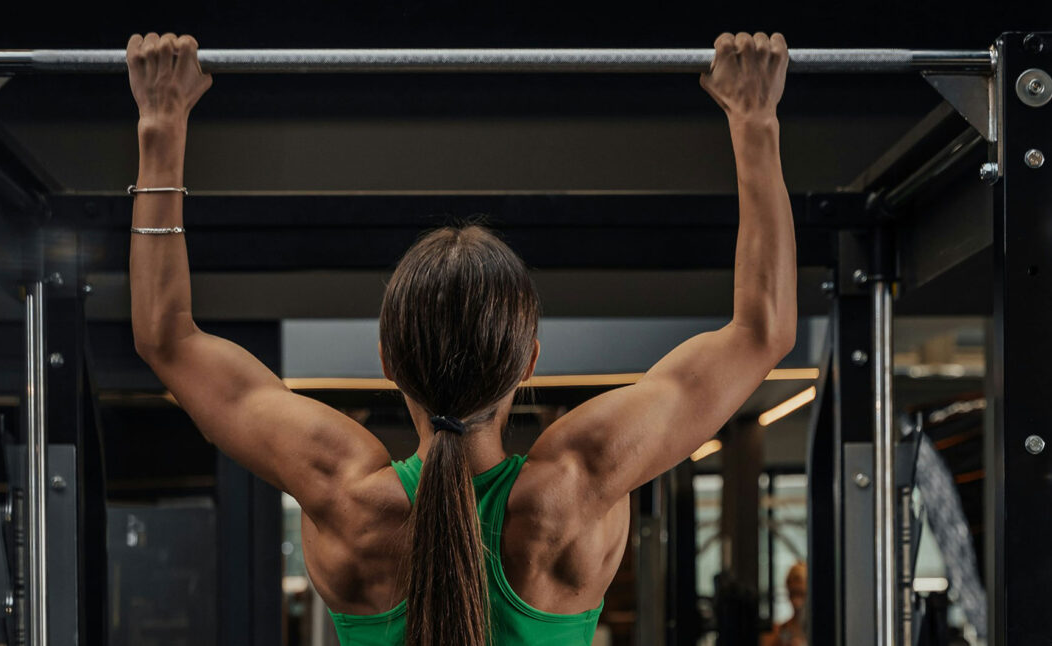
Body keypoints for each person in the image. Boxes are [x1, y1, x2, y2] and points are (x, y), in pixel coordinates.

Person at [126, 30, 795, 646]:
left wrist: (161, 126)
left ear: (388, 360)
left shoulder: (342, 491)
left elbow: (167, 340)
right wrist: (755, 120)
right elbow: (762, 330)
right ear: (528, 360)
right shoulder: (577, 480)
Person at [763, 562, 808, 646]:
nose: (796, 602)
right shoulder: (779, 632)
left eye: (801, 594)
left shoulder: (820, 631)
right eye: (792, 593)